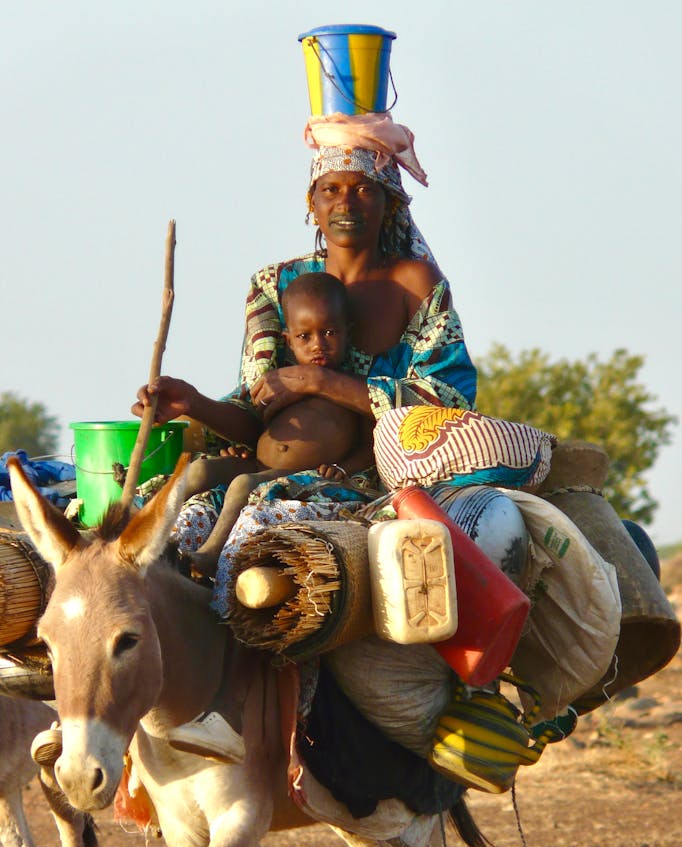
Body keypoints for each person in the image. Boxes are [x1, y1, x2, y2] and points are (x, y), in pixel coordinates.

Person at [131, 114, 478, 760]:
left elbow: (447, 400)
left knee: (265, 543)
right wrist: (195, 404)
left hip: (365, 476)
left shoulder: (417, 289)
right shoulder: (275, 287)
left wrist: (319, 385)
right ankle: (157, 710)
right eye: (332, 190)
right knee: (171, 529)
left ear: (390, 199)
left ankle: (255, 717)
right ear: (310, 204)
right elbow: (258, 406)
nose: (348, 203)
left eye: (365, 189)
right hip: (266, 464)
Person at [185, 271, 374, 578]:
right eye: (305, 336)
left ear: (347, 333)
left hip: (304, 478)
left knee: (243, 486)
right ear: (288, 340)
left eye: (329, 333)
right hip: (258, 464)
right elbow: (256, 426)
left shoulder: (350, 389)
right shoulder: (282, 384)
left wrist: (344, 469)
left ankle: (210, 553)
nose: (318, 346)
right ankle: (143, 525)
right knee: (200, 471)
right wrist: (240, 449)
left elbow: (370, 443)